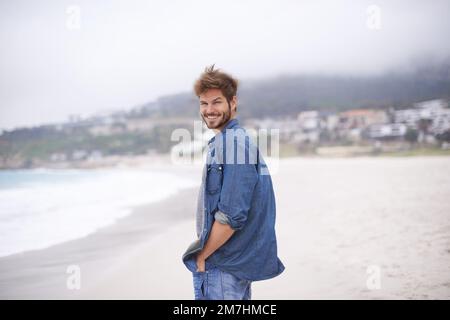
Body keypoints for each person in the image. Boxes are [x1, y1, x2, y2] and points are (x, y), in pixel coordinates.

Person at [182, 65, 285, 300]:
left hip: (223, 264)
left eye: (216, 102)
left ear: (233, 102)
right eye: (203, 103)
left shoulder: (234, 145)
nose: (209, 110)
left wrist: (202, 255)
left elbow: (231, 216)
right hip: (230, 262)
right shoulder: (226, 142)